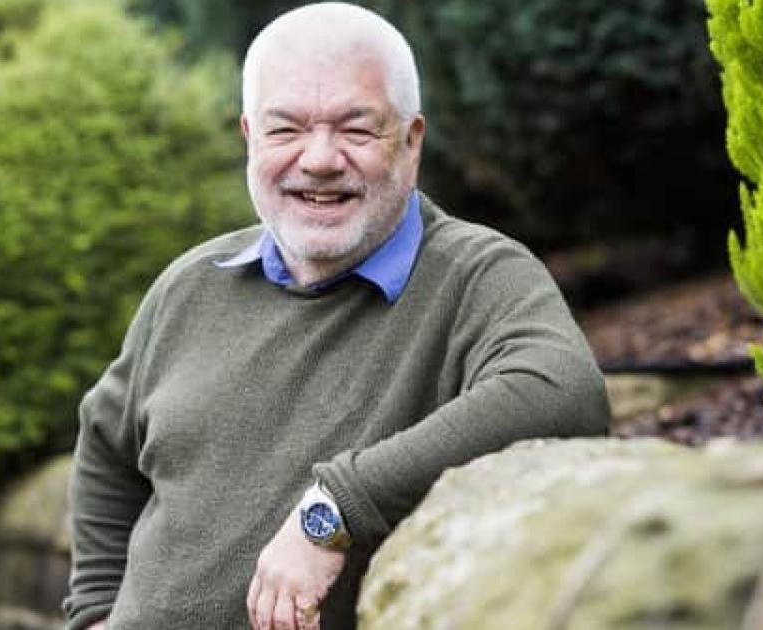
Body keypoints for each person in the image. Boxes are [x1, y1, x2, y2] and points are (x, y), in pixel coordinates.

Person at [62, 3, 610, 629]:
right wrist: (94, 611)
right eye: (285, 129)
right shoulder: (191, 284)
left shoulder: (474, 276)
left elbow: (563, 393)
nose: (319, 159)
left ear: (411, 140)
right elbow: (105, 444)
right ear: (249, 136)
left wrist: (334, 511)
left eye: (356, 129)